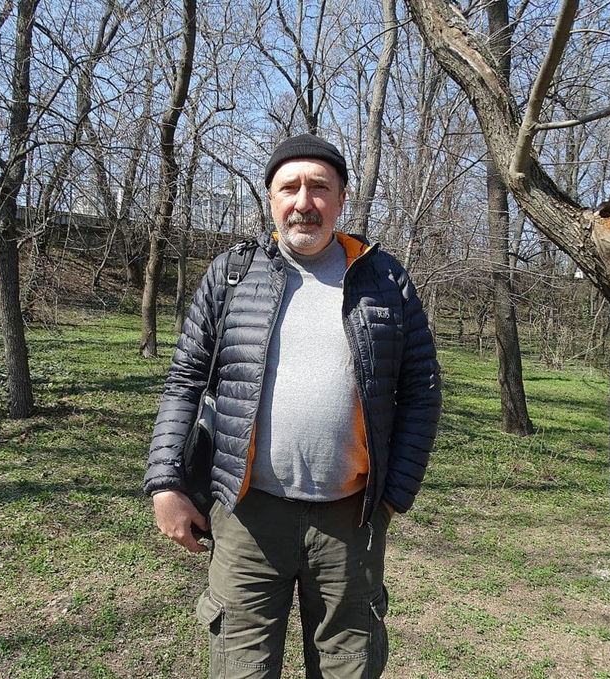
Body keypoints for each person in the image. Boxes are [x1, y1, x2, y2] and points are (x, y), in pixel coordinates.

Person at [144, 133, 441, 678]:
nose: (304, 202)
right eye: (290, 188)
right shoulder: (233, 274)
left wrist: (395, 494)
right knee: (242, 670)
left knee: (348, 668)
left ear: (342, 198)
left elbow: (421, 390)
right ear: (271, 198)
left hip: (350, 520)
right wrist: (166, 483)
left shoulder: (384, 279)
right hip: (247, 516)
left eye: (319, 187)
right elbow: (185, 380)